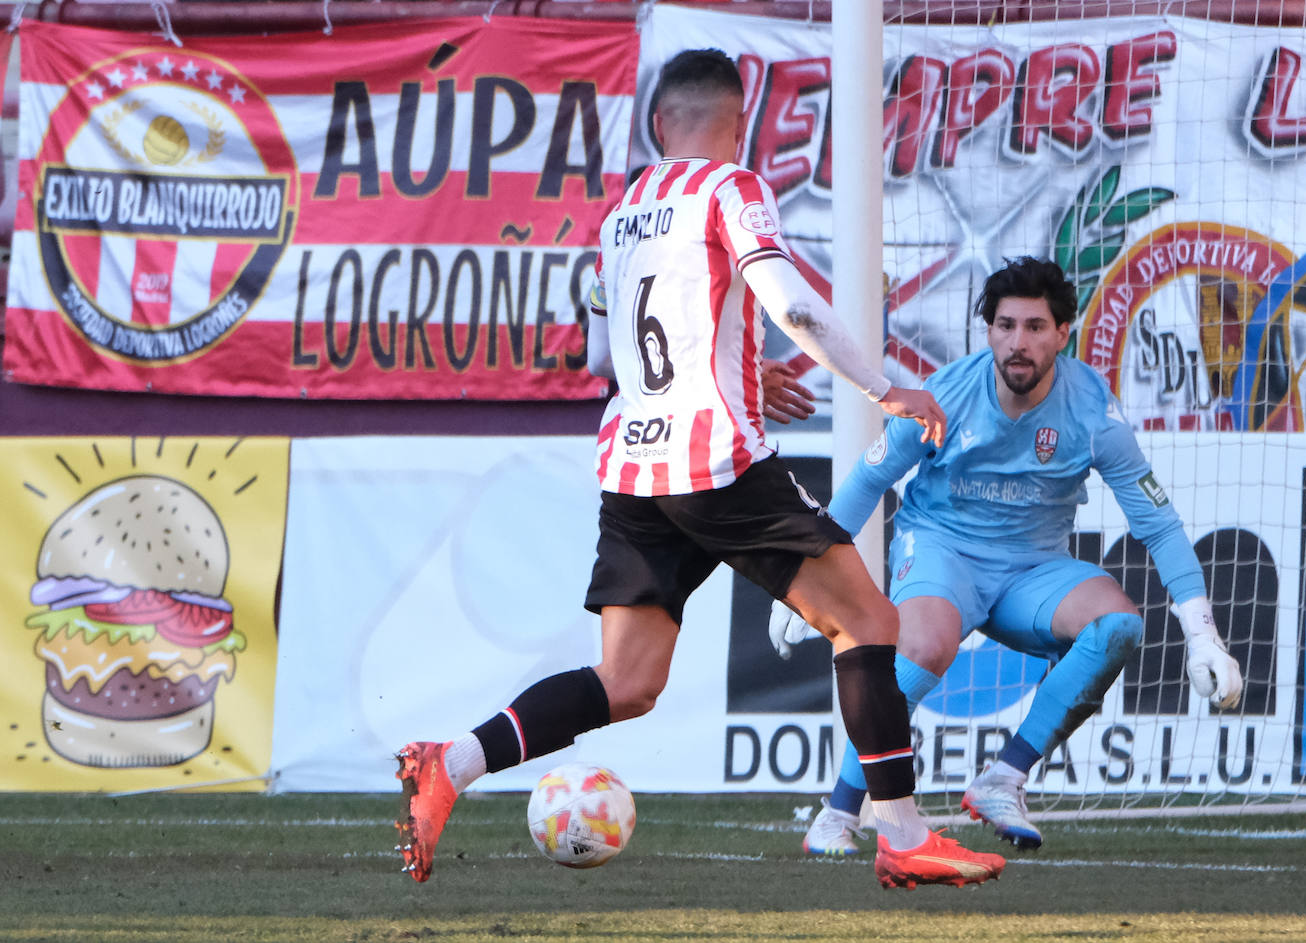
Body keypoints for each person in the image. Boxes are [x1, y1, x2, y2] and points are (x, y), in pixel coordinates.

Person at [394, 48, 1006, 890]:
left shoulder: (621, 214)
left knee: (629, 679)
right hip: (717, 461)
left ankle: (450, 763)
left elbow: (614, 346)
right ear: (741, 113)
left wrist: (754, 370)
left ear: (658, 124)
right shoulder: (734, 188)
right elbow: (787, 298)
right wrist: (883, 385)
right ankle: (902, 831)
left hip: (634, 468)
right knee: (866, 621)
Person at [770, 256, 1243, 855]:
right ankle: (838, 813)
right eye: (1006, 325)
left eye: (1036, 327)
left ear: (1063, 334)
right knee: (922, 648)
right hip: (944, 551)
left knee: (1119, 625)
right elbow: (868, 480)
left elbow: (1158, 523)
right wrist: (808, 574)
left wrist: (1202, 634)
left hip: (1032, 570)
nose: (1018, 343)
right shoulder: (945, 394)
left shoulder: (1095, 413)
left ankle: (1004, 778)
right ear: (988, 330)